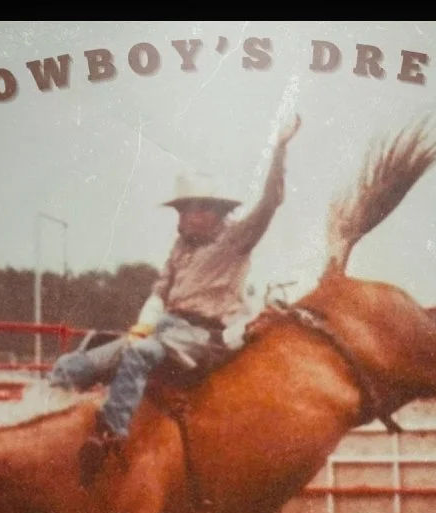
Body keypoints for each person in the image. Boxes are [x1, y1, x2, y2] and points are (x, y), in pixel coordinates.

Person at [50, 115, 302, 482]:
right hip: (164, 332)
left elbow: (269, 203)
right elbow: (160, 292)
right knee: (70, 365)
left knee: (138, 353)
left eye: (189, 208)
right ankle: (48, 434)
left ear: (213, 212)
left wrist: (279, 151)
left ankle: (110, 436)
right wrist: (144, 325)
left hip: (204, 337)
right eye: (181, 209)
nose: (182, 216)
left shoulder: (236, 240)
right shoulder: (181, 248)